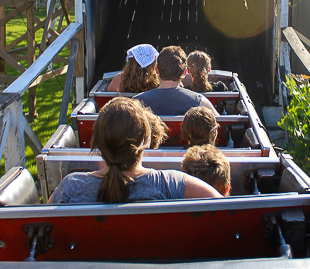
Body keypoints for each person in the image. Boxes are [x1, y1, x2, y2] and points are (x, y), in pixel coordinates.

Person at [51, 97, 221, 203]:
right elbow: (226, 209)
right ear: (146, 140)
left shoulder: (71, 188)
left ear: (97, 142)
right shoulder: (171, 184)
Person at [134, 46, 214, 115]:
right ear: (185, 72)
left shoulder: (136, 103)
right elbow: (220, 124)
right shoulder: (200, 102)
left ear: (156, 69)